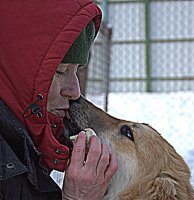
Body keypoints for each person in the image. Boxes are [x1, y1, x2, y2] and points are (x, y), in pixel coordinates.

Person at [0, 0, 118, 199]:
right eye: (60, 71)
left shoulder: (24, 146)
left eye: (77, 71)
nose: (75, 91)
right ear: (18, 74)